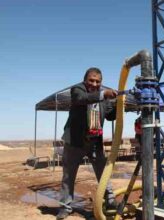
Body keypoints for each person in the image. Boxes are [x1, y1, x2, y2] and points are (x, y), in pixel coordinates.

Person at [57, 67, 118, 220]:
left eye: (98, 81)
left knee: (103, 172)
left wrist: (117, 104)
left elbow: (111, 116)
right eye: (91, 80)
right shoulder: (77, 90)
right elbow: (80, 99)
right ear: (85, 80)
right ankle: (65, 207)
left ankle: (110, 201)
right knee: (68, 176)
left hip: (95, 142)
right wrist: (104, 94)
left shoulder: (104, 98)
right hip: (75, 142)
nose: (94, 83)